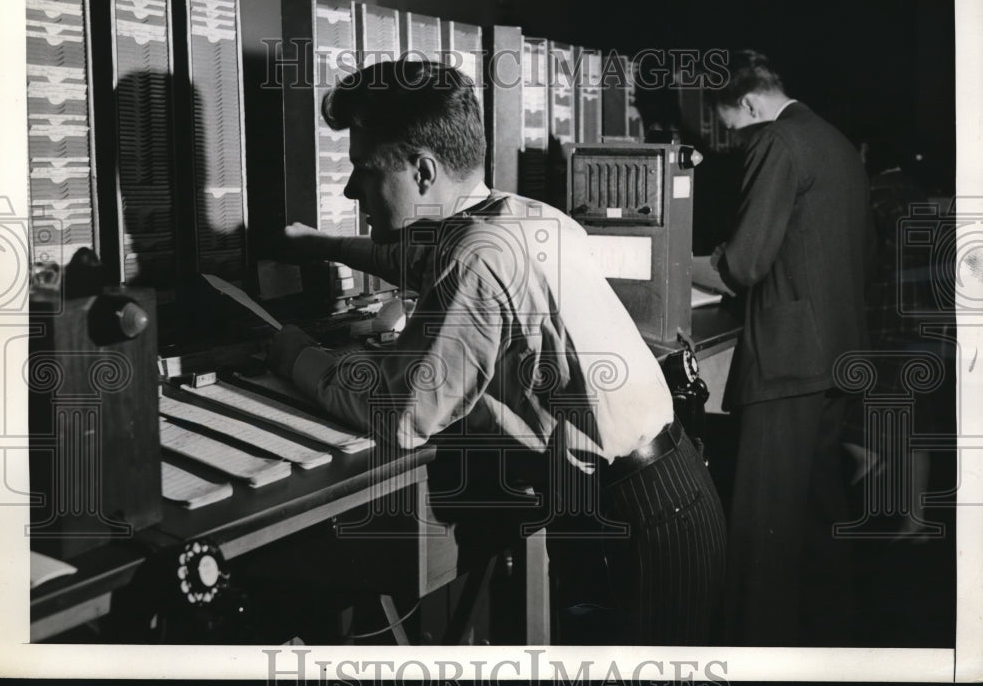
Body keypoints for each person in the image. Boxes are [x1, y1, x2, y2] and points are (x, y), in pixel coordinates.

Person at [268, 59, 726, 645]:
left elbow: (403, 415)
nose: (351, 189)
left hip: (645, 524)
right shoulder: (522, 215)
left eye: (362, 169)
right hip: (665, 495)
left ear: (423, 171)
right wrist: (323, 245)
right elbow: (419, 256)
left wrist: (294, 355)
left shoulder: (476, 257)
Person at [708, 50, 873, 646]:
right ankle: (831, 638)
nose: (733, 139)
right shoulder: (830, 137)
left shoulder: (776, 142)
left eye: (729, 125)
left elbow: (745, 264)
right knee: (817, 513)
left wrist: (679, 265)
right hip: (835, 353)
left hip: (788, 359)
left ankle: (754, 653)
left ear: (750, 104)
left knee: (762, 528)